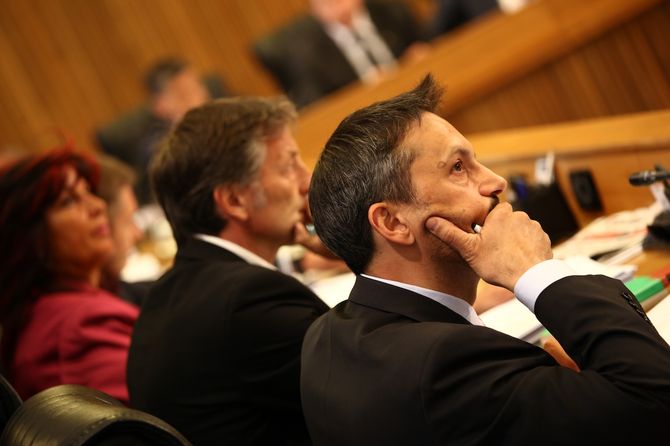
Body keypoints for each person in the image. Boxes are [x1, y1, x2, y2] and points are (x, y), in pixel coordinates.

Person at [301, 75, 670, 445]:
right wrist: (535, 271)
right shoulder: (445, 366)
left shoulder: (326, 336)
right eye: (457, 168)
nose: (496, 182)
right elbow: (655, 397)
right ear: (393, 222)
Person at [127, 96, 330, 445]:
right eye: (287, 167)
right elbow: (385, 381)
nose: (306, 181)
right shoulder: (250, 300)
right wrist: (361, 251)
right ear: (235, 201)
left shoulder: (168, 294)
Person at [0, 150, 139, 405]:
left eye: (88, 192)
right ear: (30, 236)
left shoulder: (54, 310)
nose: (98, 206)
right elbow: (164, 409)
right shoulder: (81, 326)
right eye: (68, 201)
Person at [256, 0, 427, 108]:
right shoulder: (305, 53)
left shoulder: (391, 9)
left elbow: (427, 44)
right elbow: (316, 108)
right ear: (313, 8)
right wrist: (366, 90)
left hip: (419, 93)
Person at [96, 154, 150, 306]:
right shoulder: (107, 311)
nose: (138, 234)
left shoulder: (120, 290)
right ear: (102, 227)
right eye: (128, 221)